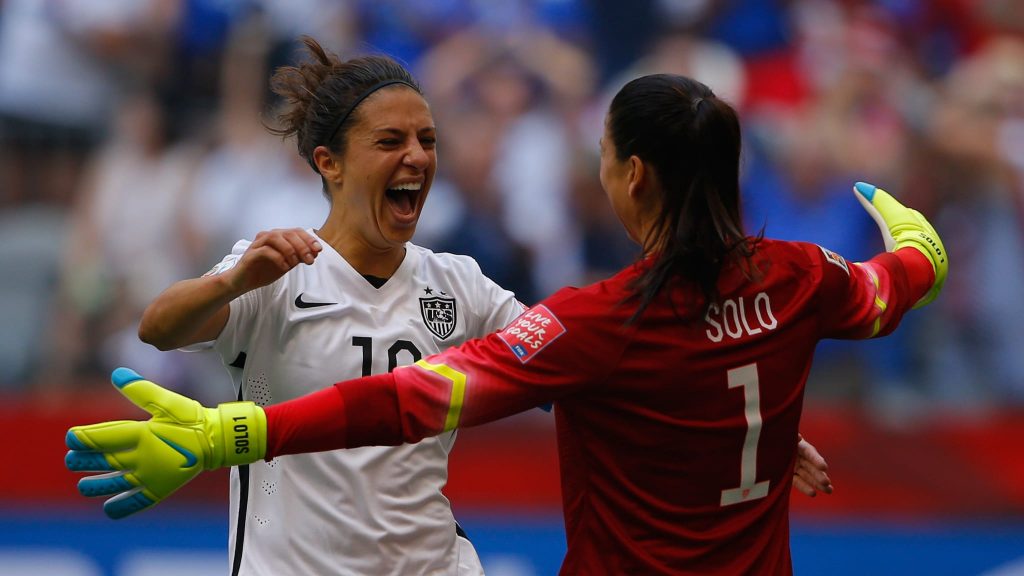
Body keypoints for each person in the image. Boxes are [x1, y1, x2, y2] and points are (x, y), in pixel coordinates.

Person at [61, 73, 890, 573]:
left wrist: (728, 427)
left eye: (427, 138)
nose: (417, 156)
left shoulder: (457, 282)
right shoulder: (275, 264)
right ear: (331, 162)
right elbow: (159, 327)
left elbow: (594, 371)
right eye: (391, 141)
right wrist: (235, 280)